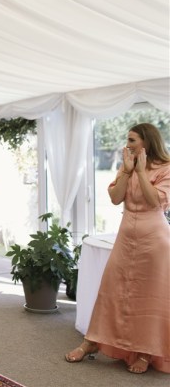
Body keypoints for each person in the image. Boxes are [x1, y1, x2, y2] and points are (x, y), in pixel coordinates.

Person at [65, 123, 170, 374]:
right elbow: (115, 198)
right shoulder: (127, 165)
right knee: (111, 289)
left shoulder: (167, 168)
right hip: (125, 237)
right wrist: (127, 171)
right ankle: (91, 342)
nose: (128, 144)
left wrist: (142, 172)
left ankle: (145, 352)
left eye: (132, 140)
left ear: (146, 142)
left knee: (149, 297)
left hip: (154, 240)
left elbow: (156, 201)